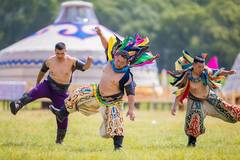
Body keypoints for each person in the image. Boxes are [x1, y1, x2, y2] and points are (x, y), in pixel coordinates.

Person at [49, 27, 159, 150]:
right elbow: (106, 46)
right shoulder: (110, 60)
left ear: (127, 63)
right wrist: (100, 34)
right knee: (78, 92)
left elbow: (131, 94)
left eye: (121, 62)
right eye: (117, 60)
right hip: (97, 92)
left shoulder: (127, 76)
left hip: (112, 101)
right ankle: (61, 114)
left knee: (116, 121)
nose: (118, 63)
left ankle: (118, 147)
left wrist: (131, 110)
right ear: (115, 56)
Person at [10, 42, 93, 144]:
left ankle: (59, 141)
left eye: (62, 53)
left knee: (62, 115)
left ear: (65, 51)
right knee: (34, 91)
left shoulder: (72, 61)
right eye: (57, 53)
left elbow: (85, 67)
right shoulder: (49, 60)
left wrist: (89, 62)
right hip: (48, 85)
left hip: (61, 92)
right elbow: (42, 71)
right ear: (55, 51)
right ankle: (17, 105)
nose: (59, 56)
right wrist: (37, 84)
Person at [169, 50, 239, 147]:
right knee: (194, 120)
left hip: (210, 98)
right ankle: (191, 142)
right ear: (193, 65)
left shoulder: (205, 70)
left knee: (230, 111)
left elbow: (216, 72)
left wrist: (228, 72)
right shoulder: (187, 76)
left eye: (202, 66)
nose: (201, 69)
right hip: (195, 102)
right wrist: (174, 106)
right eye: (199, 67)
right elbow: (180, 91)